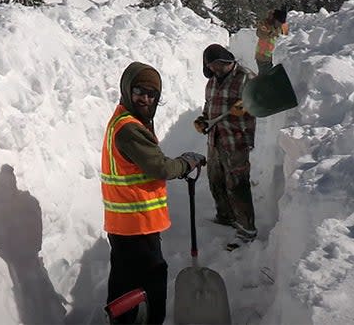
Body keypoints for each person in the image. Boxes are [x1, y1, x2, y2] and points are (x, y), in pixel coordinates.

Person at [101, 61, 205, 324]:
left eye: (152, 94)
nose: (146, 98)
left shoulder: (127, 119)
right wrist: (186, 162)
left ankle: (123, 319)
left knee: (125, 280)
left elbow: (146, 162)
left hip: (126, 223)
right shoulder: (130, 128)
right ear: (127, 89)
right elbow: (159, 167)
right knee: (153, 279)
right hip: (136, 223)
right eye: (139, 91)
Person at [193, 44, 258, 251]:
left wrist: (248, 106)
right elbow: (208, 106)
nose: (214, 69)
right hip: (215, 140)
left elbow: (263, 99)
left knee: (237, 185)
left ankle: (247, 230)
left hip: (236, 141)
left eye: (217, 65)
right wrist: (203, 120)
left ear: (226, 60)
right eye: (210, 66)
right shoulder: (212, 81)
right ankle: (225, 217)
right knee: (215, 180)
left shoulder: (246, 77)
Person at [255, 8, 289, 75]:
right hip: (263, 57)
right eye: (278, 22)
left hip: (275, 57)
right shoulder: (265, 24)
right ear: (274, 19)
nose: (280, 24)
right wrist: (273, 33)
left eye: (281, 23)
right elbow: (260, 33)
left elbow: (287, 37)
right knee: (264, 77)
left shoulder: (283, 26)